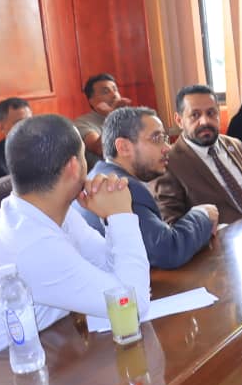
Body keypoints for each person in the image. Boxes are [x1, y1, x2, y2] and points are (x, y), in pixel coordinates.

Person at [0, 115, 150, 358]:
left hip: (53, 348)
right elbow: (133, 306)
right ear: (74, 166)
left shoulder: (42, 210)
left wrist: (111, 217)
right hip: (7, 368)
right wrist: (121, 214)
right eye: (84, 155)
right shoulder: (32, 244)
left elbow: (109, 269)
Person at [76, 107, 219, 269]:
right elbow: (168, 250)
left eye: (165, 138)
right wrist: (203, 214)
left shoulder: (99, 174)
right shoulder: (119, 187)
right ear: (123, 147)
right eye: (157, 138)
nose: (167, 147)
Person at [153, 85, 242, 225]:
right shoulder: (168, 162)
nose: (205, 121)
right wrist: (226, 230)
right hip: (221, 237)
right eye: (195, 115)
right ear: (179, 120)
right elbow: (172, 224)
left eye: (211, 113)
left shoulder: (235, 145)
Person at [75, 73, 132, 168]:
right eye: (106, 92)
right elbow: (101, 149)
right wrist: (112, 117)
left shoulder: (129, 117)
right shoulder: (82, 123)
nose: (114, 95)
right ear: (91, 100)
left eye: (115, 90)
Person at [0, 98, 32, 182]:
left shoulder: (43, 147)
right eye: (19, 123)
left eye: (29, 121)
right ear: (1, 127)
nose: (27, 128)